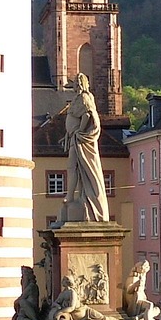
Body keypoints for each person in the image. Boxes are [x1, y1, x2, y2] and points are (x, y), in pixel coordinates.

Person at [57, 73, 108, 224]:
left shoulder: (84, 97)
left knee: (74, 167)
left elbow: (87, 115)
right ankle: (72, 196)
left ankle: (70, 196)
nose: (74, 85)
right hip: (74, 138)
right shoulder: (77, 98)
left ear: (80, 84)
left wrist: (80, 131)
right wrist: (68, 135)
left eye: (76, 83)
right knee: (74, 168)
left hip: (80, 140)